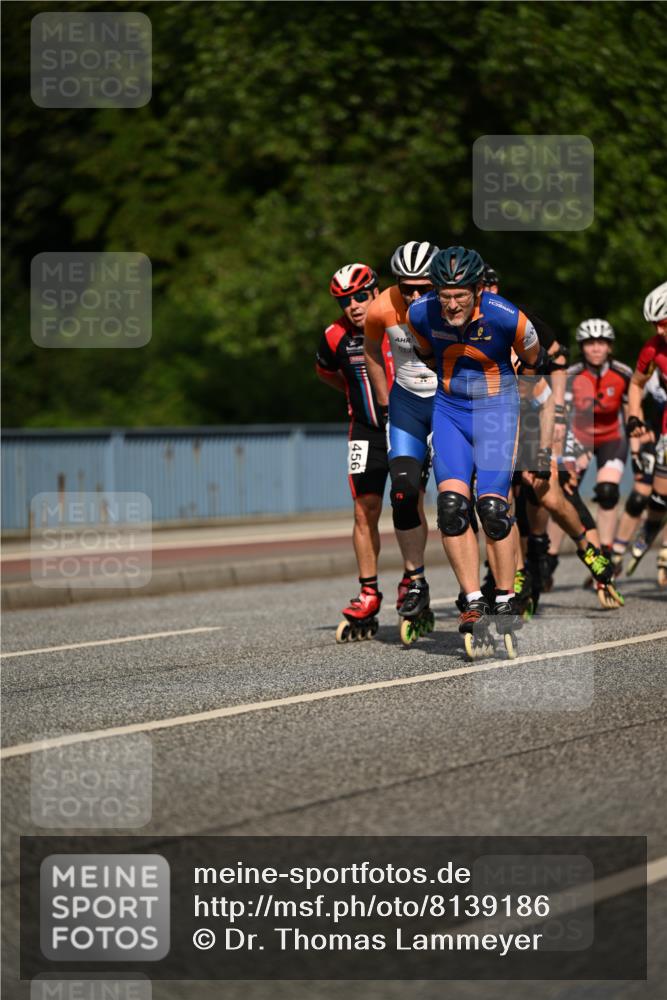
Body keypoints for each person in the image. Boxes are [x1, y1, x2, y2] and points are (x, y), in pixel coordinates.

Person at [406, 245, 543, 656]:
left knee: (493, 509)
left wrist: (526, 424)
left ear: (478, 290)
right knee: (451, 508)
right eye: (444, 296)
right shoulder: (420, 313)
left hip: (497, 410)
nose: (451, 305)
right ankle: (472, 600)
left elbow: (533, 362)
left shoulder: (508, 316)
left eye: (460, 296)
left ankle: (505, 597)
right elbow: (427, 355)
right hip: (450, 411)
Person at [364, 241, 439, 636]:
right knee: (404, 494)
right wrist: (384, 401)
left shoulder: (453, 307)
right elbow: (371, 350)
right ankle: (416, 580)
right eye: (406, 287)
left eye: (422, 288)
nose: (413, 295)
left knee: (459, 502)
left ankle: (479, 591)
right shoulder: (380, 308)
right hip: (407, 406)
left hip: (448, 406)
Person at [316, 262, 393, 639]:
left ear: (376, 291)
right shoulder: (334, 336)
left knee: (410, 502)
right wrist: (354, 395)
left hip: (406, 427)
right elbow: (327, 373)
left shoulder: (399, 321)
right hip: (364, 431)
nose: (354, 305)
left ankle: (415, 582)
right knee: (364, 509)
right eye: (344, 301)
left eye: (361, 296)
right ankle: (368, 592)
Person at [552, 320, 632, 577]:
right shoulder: (572, 374)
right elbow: (561, 417)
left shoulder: (622, 373)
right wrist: (562, 454)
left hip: (611, 438)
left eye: (601, 343)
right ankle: (548, 558)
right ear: (582, 347)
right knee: (564, 495)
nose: (596, 349)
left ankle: (606, 554)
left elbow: (631, 412)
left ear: (610, 347)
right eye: (590, 343)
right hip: (579, 439)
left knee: (608, 492)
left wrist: (640, 447)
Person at [625, 281, 667, 585]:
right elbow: (637, 383)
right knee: (661, 495)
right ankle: (650, 527)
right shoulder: (653, 348)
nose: (659, 330)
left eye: (664, 323)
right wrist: (634, 416)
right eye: (655, 325)